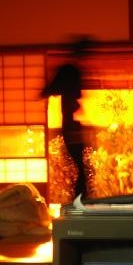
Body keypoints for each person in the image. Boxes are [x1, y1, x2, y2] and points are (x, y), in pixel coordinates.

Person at [41, 39, 91, 198]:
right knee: (81, 166)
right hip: (71, 125)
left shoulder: (70, 70)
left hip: (72, 124)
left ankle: (80, 196)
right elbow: (51, 91)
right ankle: (80, 197)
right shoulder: (70, 71)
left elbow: (49, 91)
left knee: (81, 166)